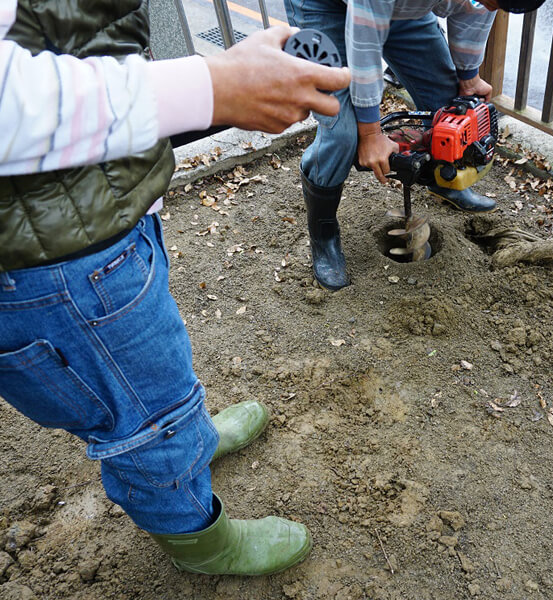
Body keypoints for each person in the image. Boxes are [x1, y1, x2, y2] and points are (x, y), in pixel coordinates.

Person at [0, 0, 349, 576]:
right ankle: (199, 540)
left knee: (154, 376)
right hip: (50, 263)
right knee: (146, 421)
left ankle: (193, 437)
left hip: (86, 221)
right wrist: (212, 87)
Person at [282, 0, 547, 291]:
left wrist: (468, 75)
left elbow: (475, 12)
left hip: (402, 9)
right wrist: (370, 134)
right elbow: (365, 38)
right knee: (342, 133)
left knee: (449, 104)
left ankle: (441, 178)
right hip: (325, 6)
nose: (483, 2)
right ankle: (324, 235)